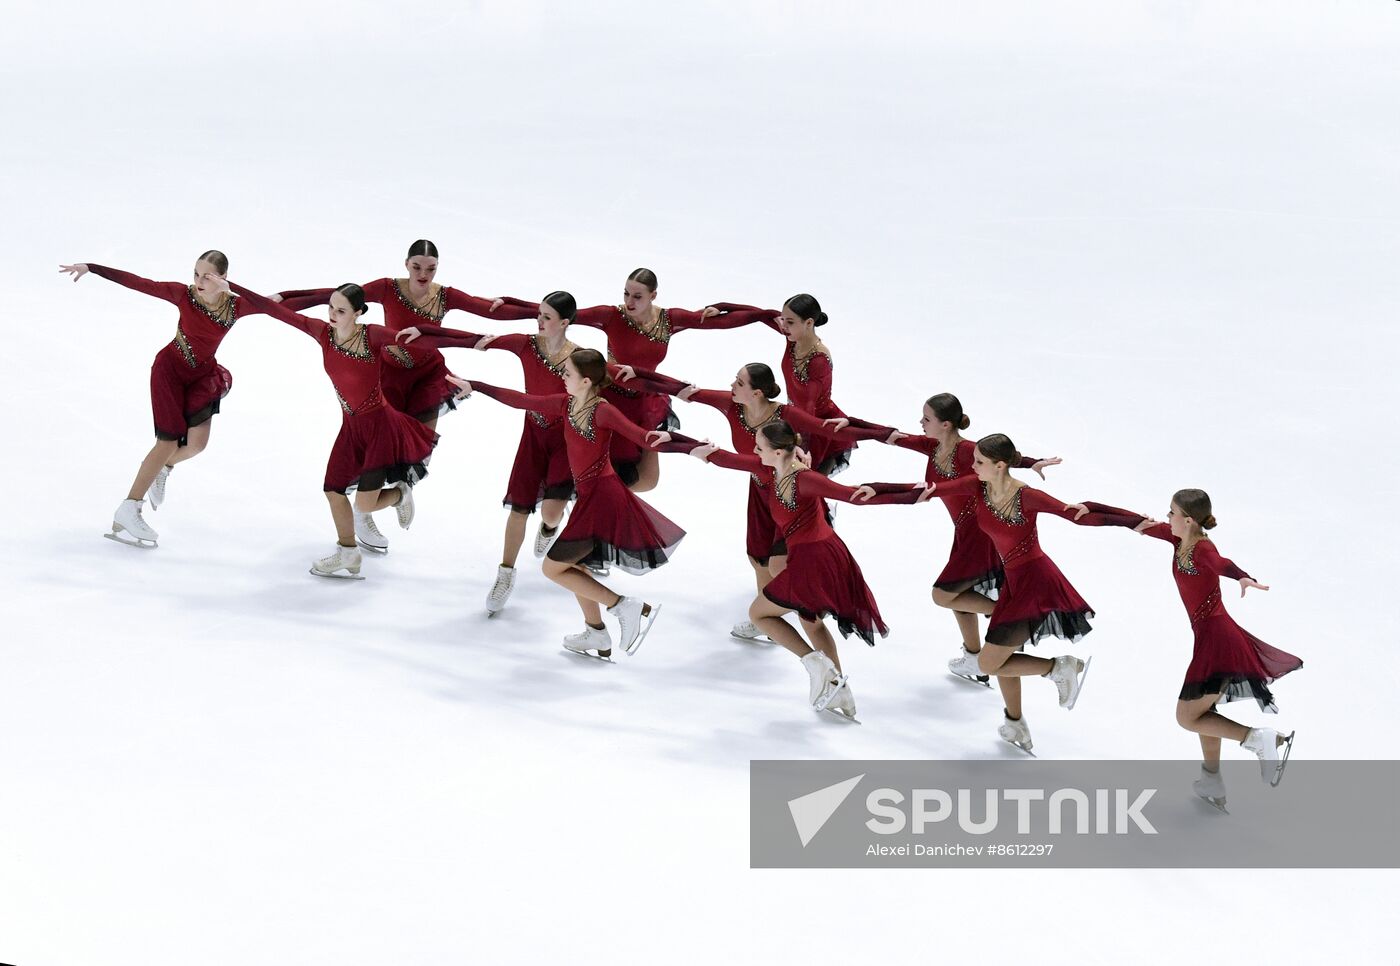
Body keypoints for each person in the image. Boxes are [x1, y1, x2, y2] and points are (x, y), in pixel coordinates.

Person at [612, 361, 896, 641]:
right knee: (757, 557)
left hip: (792, 495)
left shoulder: (785, 415)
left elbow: (831, 429)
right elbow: (686, 391)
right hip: (759, 491)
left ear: (757, 393)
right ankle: (767, 619)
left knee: (779, 563)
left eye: (738, 382)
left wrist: (888, 435)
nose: (731, 385)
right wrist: (634, 374)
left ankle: (806, 616)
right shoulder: (732, 405)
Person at [448, 346, 694, 658]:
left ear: (587, 381)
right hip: (589, 496)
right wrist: (477, 386)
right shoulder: (566, 404)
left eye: (567, 373)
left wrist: (693, 446)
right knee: (575, 566)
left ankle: (623, 606)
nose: (561, 376)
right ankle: (596, 632)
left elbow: (643, 437)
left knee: (553, 568)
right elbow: (522, 400)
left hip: (603, 497)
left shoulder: (603, 411)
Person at [228, 280, 476, 579]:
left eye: (341, 310)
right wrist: (229, 286)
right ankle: (348, 553)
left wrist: (474, 345)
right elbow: (277, 312)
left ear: (358, 312)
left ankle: (399, 494)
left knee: (364, 502)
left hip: (380, 426)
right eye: (331, 307)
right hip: (351, 425)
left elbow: (422, 341)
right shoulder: (322, 333)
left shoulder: (372, 336)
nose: (333, 314)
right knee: (333, 490)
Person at [688, 423, 933, 720]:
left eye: (759, 447)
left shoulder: (805, 479)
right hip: (809, 554)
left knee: (760, 614)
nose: (754, 451)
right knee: (811, 621)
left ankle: (814, 663)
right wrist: (688, 445)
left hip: (817, 558)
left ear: (778, 451)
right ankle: (837, 683)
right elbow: (725, 458)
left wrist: (909, 493)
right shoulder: (771, 468)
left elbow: (855, 495)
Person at [1084, 489, 1301, 801]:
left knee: (1187, 716)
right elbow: (1132, 521)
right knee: (1204, 711)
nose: (1167, 517)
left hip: (1218, 639)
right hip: (1210, 637)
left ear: (1187, 520)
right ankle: (1211, 780)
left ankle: (1259, 739)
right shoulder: (1178, 540)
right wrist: (1090, 507)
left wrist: (1242, 576)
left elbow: (1221, 563)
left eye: (1171, 513)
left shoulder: (1201, 549)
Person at [923, 434, 1124, 754]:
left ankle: (1059, 667)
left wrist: (1135, 522)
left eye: (978, 462)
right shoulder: (981, 487)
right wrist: (867, 492)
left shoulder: (1027, 496)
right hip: (1013, 581)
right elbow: (929, 491)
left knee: (991, 661)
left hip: (1034, 583)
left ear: (1000, 465)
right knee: (1001, 657)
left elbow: (1077, 514)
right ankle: (1015, 722)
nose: (971, 466)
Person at [60, 253, 272, 548]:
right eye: (196, 273)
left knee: (196, 445)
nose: (198, 281)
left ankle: (163, 468)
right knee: (168, 442)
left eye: (207, 277)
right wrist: (93, 268)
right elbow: (139, 283)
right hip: (170, 372)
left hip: (202, 377)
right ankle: (129, 508)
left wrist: (335, 299)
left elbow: (280, 303)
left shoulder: (236, 307)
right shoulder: (183, 295)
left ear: (222, 278)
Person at [500, 269, 775, 491]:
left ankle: (596, 524)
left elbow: (720, 322)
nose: (629, 302)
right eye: (626, 294)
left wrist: (765, 316)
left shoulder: (669, 321)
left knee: (640, 479)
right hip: (611, 399)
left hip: (646, 400)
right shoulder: (611, 315)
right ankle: (573, 519)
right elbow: (559, 313)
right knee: (605, 468)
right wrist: (511, 303)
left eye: (638, 296)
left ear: (654, 295)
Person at [881, 393, 1060, 685]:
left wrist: (1032, 462)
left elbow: (998, 459)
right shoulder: (932, 447)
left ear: (947, 424)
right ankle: (974, 657)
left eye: (926, 419)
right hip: (963, 533)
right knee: (958, 599)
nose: (920, 423)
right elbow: (890, 436)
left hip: (980, 534)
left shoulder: (967, 451)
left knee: (944, 594)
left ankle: (1006, 614)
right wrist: (840, 424)